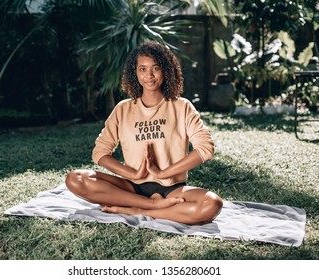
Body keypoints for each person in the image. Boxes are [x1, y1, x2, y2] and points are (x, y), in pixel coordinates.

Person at [66, 41, 223, 225]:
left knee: (212, 204)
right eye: (142, 69)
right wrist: (131, 174)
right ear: (135, 73)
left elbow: (205, 149)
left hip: (172, 188)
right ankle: (152, 205)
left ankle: (138, 211)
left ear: (166, 70)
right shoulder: (123, 109)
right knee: (75, 179)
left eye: (155, 68)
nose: (149, 75)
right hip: (130, 188)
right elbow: (99, 153)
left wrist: (164, 173)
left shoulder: (181, 106)